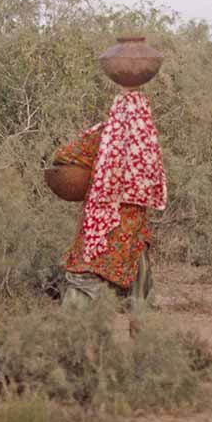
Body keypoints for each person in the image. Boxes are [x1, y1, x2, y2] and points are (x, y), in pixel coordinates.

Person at [56, 90, 167, 310]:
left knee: (88, 273)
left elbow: (63, 155)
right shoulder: (147, 139)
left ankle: (71, 327)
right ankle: (145, 330)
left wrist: (89, 171)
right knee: (139, 286)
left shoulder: (100, 134)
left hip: (101, 222)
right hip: (133, 226)